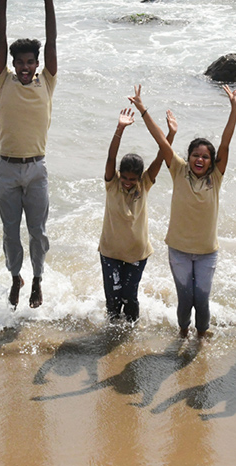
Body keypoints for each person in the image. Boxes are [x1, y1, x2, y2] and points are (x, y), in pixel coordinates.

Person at [131, 84, 236, 340]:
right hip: (179, 249)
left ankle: (202, 336)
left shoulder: (215, 177)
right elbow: (160, 140)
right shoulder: (178, 170)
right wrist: (143, 109)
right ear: (188, 157)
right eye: (195, 155)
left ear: (212, 161)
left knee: (201, 300)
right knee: (185, 298)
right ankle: (182, 332)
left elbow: (226, 142)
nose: (199, 160)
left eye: (205, 157)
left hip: (206, 253)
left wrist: (234, 110)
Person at [0, 0, 57, 309]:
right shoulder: (3, 80)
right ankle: (15, 276)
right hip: (7, 168)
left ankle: (37, 279)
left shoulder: (46, 81)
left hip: (36, 169)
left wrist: (48, 1)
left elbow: (52, 42)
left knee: (38, 232)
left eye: (30, 62)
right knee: (10, 232)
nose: (25, 67)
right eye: (20, 63)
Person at [100, 103, 176, 323]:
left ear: (139, 177)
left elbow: (161, 157)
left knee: (129, 297)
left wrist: (170, 134)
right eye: (125, 178)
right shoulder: (112, 183)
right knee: (113, 299)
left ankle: (130, 333)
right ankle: (112, 333)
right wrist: (120, 129)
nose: (127, 183)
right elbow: (110, 158)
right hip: (110, 252)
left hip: (137, 253)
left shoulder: (144, 184)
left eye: (132, 179)